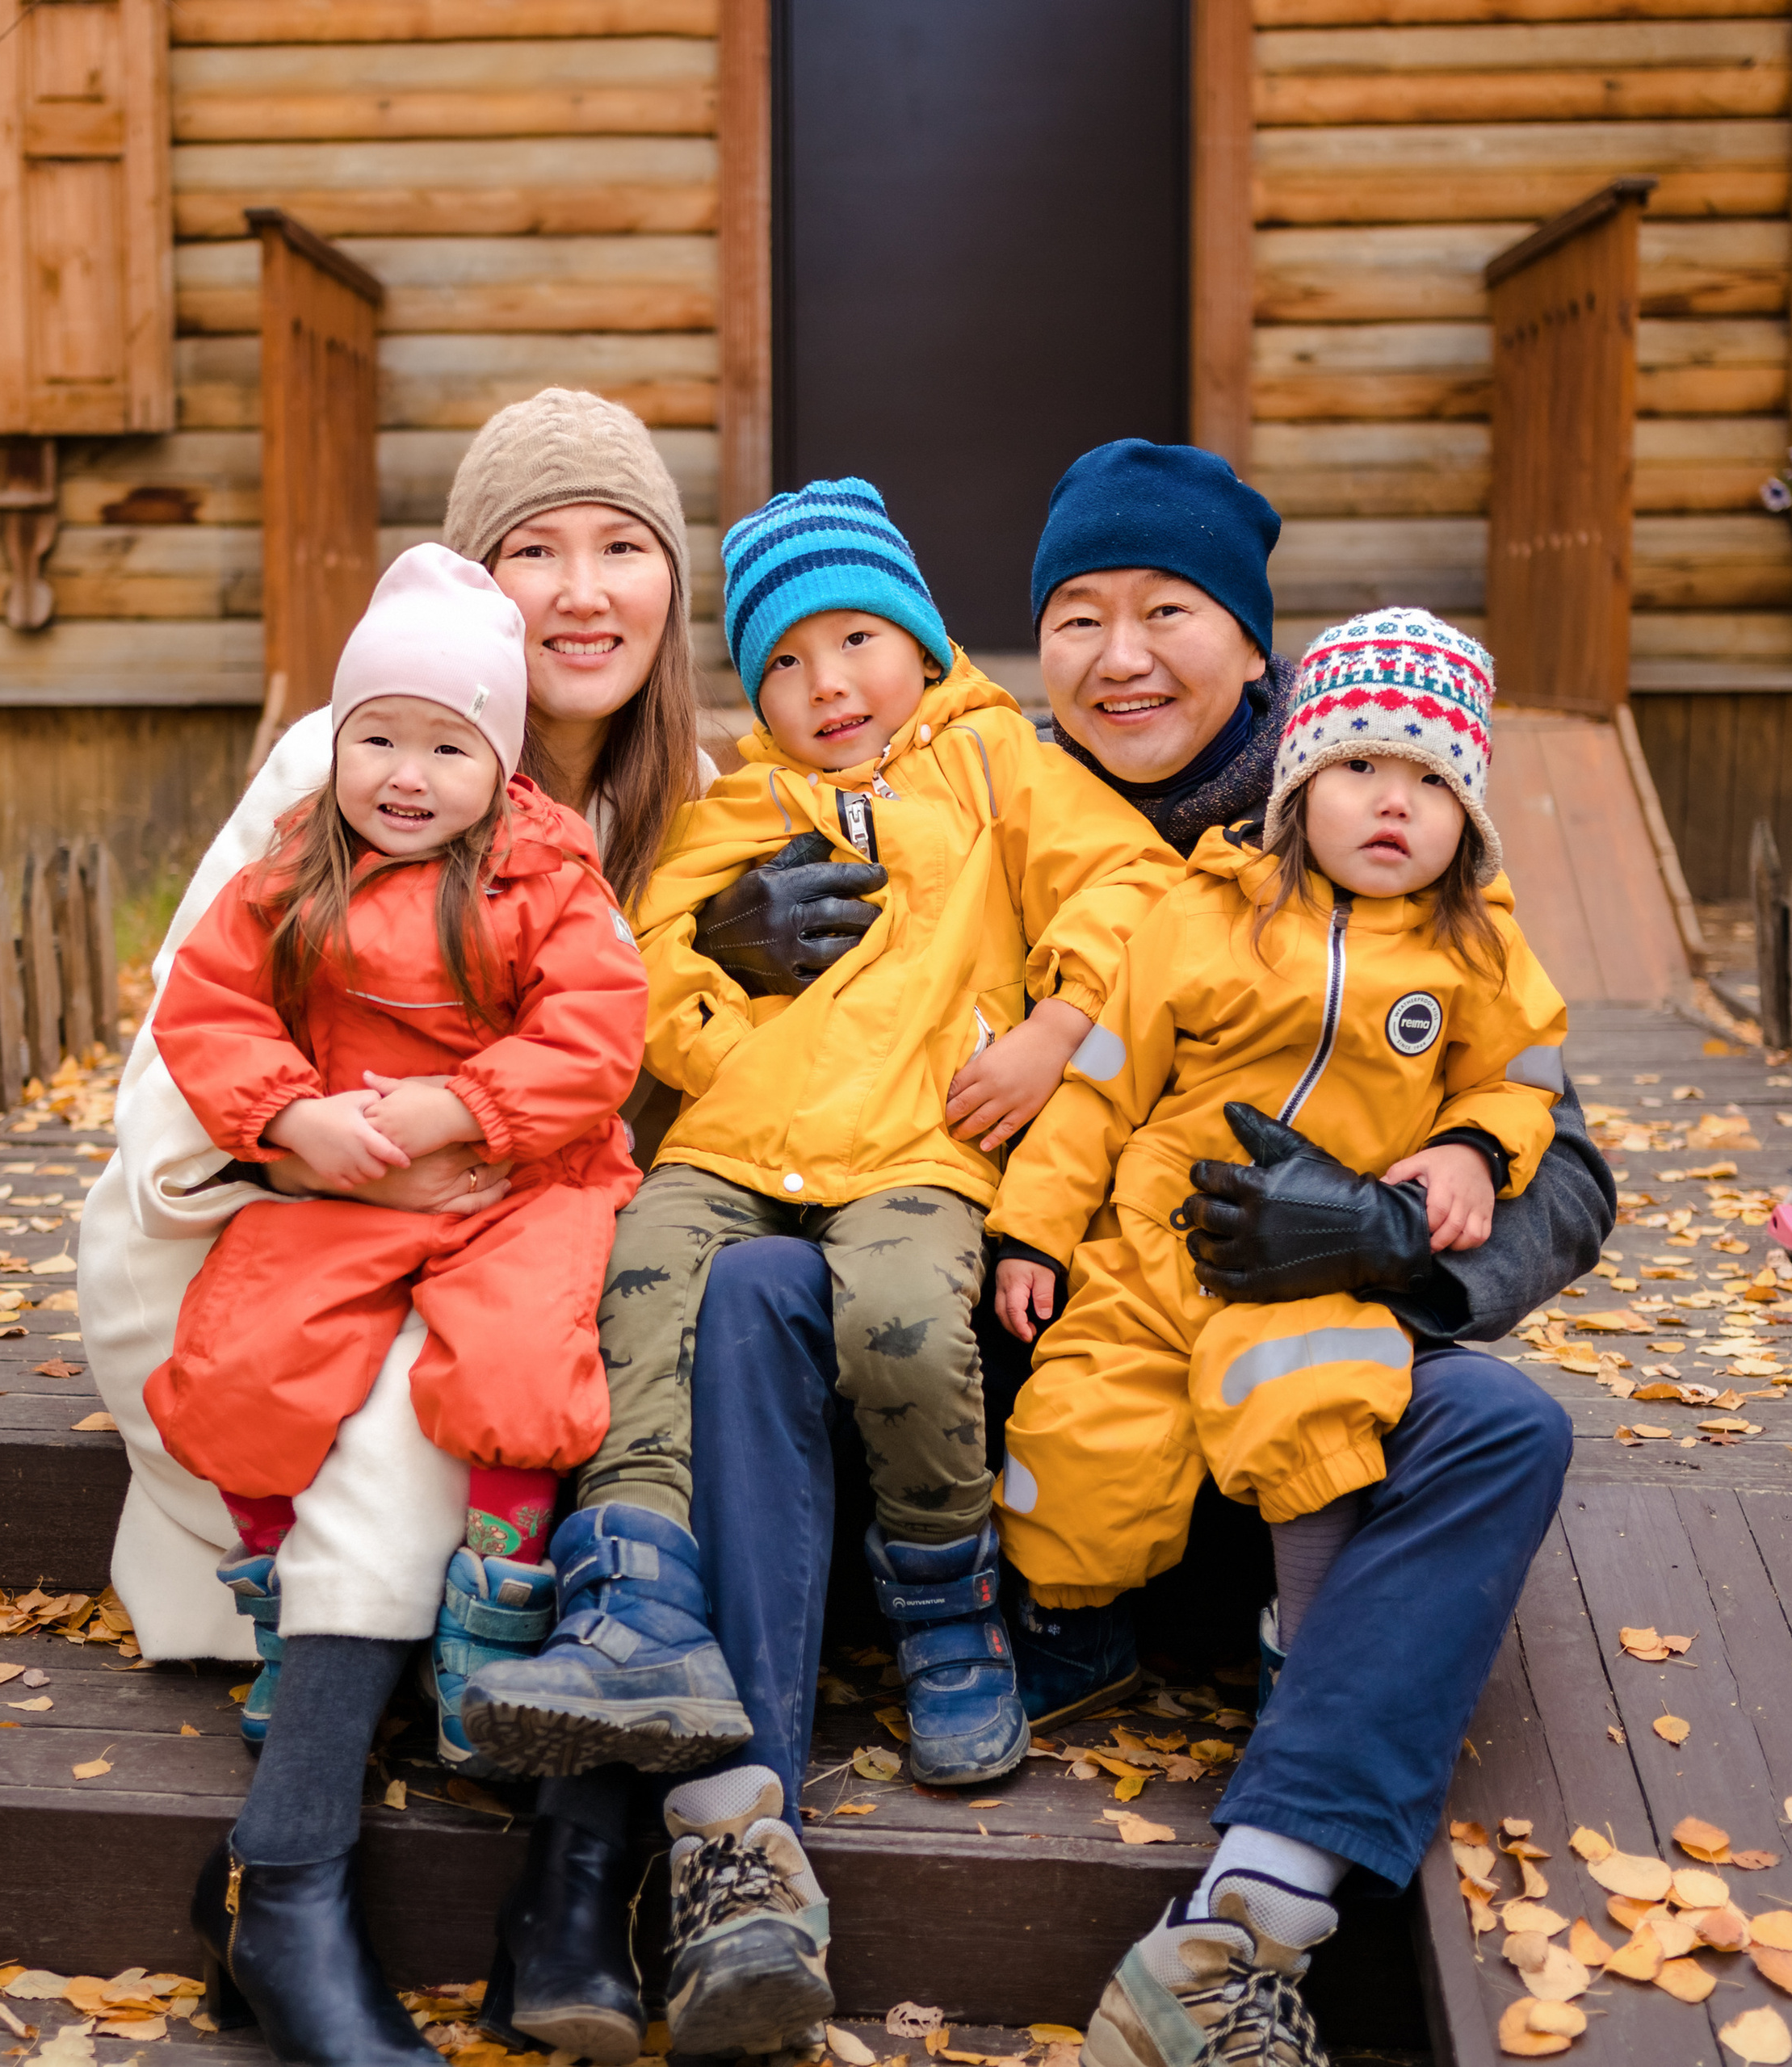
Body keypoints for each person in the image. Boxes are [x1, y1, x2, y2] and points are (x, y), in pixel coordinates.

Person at [557, 441, 1605, 2067]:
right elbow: (687, 1073)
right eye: (1074, 616)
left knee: (1506, 1423)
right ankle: (733, 1841)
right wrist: (720, 952)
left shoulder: (1384, 799)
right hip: (984, 1353)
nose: (1117, 657)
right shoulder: (945, 776)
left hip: (1266, 1372)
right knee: (761, 1275)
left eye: (1165, 610)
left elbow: (1552, 1131)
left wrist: (1396, 1228)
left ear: (1254, 643)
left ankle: (1244, 1917)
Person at [79, 389, 732, 2067]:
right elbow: (196, 1039)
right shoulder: (353, 758)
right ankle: (284, 1879)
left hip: (523, 1234)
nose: (580, 590)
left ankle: (576, 1884)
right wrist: (333, 1150)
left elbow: (619, 1059)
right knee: (404, 1418)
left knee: (629, 1336)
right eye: (532, 549)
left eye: (620, 548)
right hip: (285, 1234)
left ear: (671, 582)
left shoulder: (688, 798)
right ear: (465, 582)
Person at [991, 606, 1565, 1699]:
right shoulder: (1206, 915)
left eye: (1435, 780)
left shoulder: (1476, 945)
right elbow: (1102, 1087)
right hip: (1155, 1253)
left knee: (1310, 1407)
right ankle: (1072, 1633)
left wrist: (1473, 1150)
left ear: (1469, 815)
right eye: (1359, 764)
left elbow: (1520, 1072)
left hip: (1318, 1262)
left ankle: (1303, 1643)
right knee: (1079, 1428)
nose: (1396, 800)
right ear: (1298, 784)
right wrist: (1036, 1230)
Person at [146, 544, 648, 1784]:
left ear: (500, 762)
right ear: (336, 740)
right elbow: (210, 1012)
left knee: (521, 1360)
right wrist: (290, 1121)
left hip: (519, 1177)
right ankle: (273, 1596)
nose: (406, 777)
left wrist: (463, 1106)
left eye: (446, 747)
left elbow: (595, 1035)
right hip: (346, 1173)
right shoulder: (291, 869)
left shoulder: (545, 876)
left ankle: (494, 1604)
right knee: (245, 1355)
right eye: (378, 739)